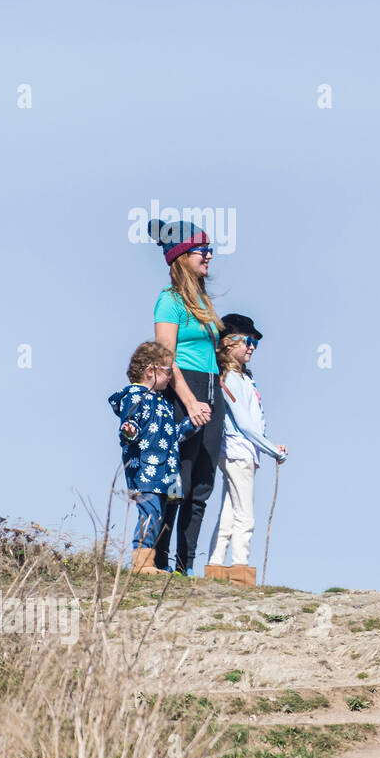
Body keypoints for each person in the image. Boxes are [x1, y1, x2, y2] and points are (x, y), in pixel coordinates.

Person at [148, 218, 226, 575]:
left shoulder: (203, 301)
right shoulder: (169, 301)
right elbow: (166, 358)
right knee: (179, 480)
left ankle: (185, 567)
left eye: (210, 248)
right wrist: (190, 402)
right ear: (182, 256)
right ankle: (159, 561)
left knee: (202, 485)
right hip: (185, 394)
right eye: (202, 250)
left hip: (212, 390)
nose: (209, 255)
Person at [207, 314, 287, 572]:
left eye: (255, 343)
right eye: (247, 341)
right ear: (228, 343)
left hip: (244, 451)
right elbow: (244, 423)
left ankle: (215, 565)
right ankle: (240, 568)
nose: (252, 347)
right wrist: (272, 449)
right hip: (237, 450)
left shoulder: (244, 378)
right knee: (246, 514)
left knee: (229, 513)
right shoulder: (229, 378)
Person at [108, 342, 195, 573]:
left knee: (160, 515)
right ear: (150, 370)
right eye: (168, 371)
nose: (170, 377)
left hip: (165, 472)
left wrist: (191, 424)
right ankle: (141, 562)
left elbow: (172, 435)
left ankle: (151, 561)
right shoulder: (135, 396)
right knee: (151, 513)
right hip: (145, 470)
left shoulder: (161, 402)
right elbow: (130, 423)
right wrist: (129, 430)